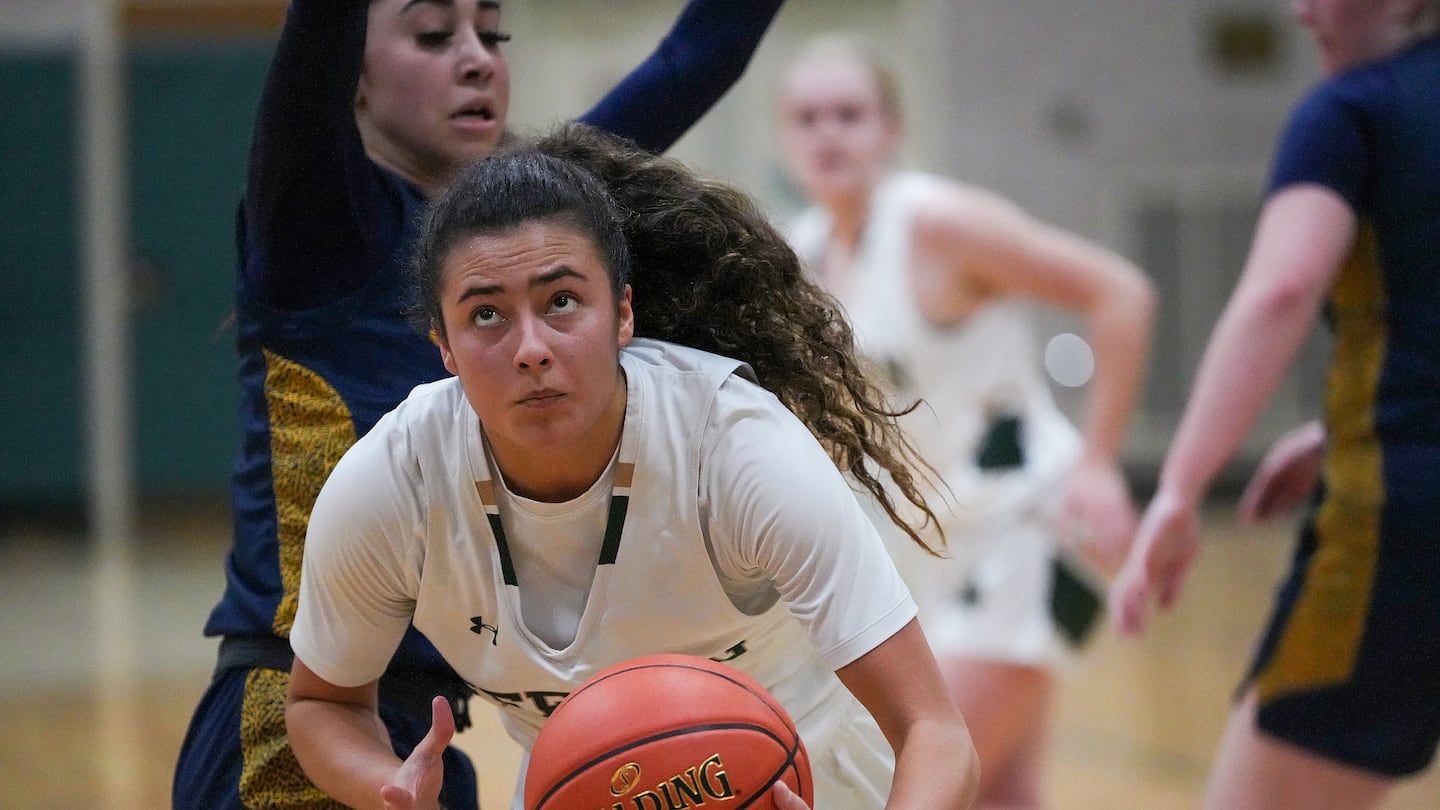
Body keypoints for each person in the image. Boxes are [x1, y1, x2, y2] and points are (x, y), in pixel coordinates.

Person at [172, 2, 787, 808]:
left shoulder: (532, 224)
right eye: (434, 35)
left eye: (492, 34)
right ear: (351, 77)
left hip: (427, 741)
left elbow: (698, 56)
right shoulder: (320, 230)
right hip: (296, 723)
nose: (477, 59)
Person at [282, 124, 980, 810]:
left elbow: (937, 732)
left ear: (621, 314)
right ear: (444, 347)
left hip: (816, 782)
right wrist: (384, 785)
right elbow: (321, 702)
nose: (530, 348)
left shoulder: (734, 447)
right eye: (487, 316)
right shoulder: (393, 482)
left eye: (561, 302)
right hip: (582, 789)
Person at [774, 34, 1155, 809]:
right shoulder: (803, 252)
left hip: (1027, 527)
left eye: (849, 114)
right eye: (808, 118)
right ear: (785, 138)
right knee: (1002, 790)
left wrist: (1100, 462)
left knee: (926, 775)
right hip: (929, 547)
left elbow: (1121, 294)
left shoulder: (938, 224)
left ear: (891, 129)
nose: (829, 134)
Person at [1109, 0, 1440, 807]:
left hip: (1405, 523)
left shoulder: (1355, 110)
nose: (1300, 10)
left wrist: (1181, 489)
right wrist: (1340, 425)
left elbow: (1281, 289)